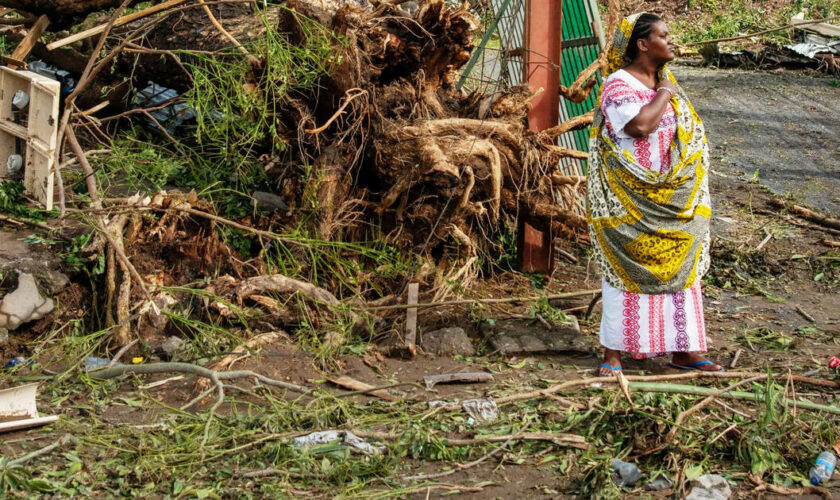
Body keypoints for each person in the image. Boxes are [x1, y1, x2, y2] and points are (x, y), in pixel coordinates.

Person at [586, 13, 722, 376]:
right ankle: (613, 354)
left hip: (675, 201)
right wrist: (664, 93)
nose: (671, 40)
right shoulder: (618, 84)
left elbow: (690, 137)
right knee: (624, 271)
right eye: (664, 35)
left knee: (682, 270)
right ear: (643, 44)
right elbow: (639, 126)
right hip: (630, 199)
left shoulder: (668, 83)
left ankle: (686, 350)